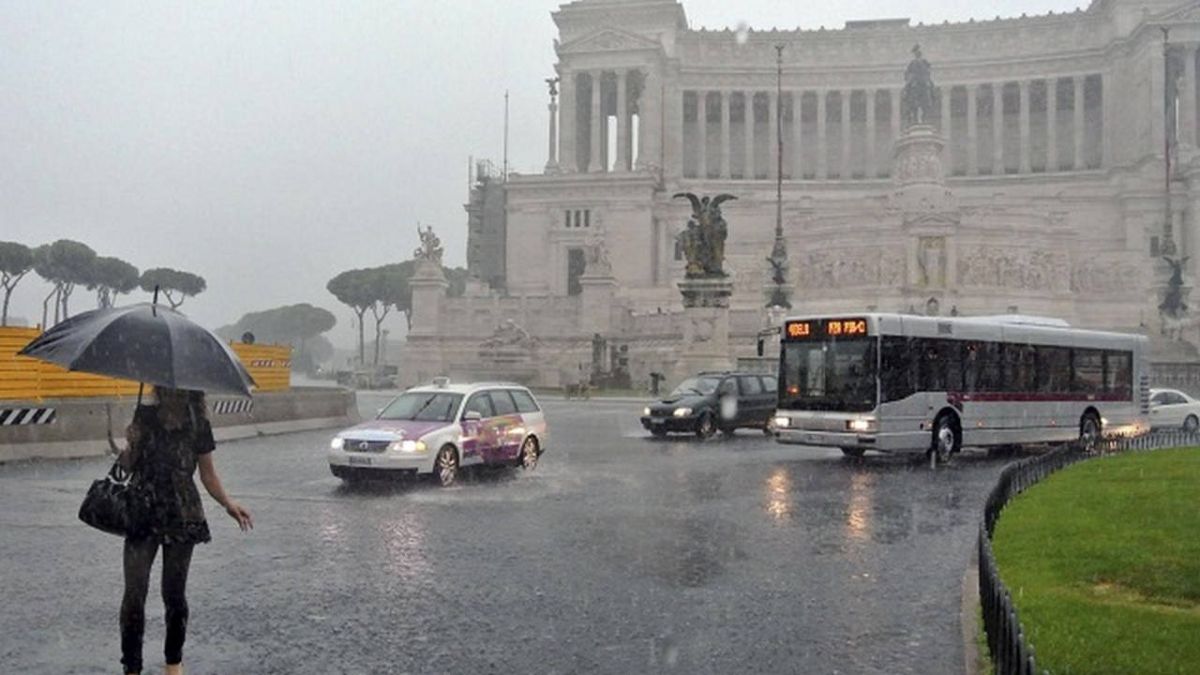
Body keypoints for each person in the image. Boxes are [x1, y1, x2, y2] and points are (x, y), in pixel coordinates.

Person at [116, 387, 253, 675]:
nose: (174, 396)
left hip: (183, 513)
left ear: (191, 394)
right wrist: (130, 445)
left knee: (174, 594)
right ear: (161, 390)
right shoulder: (144, 416)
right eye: (169, 391)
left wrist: (228, 503)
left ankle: (173, 663)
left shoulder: (198, 424)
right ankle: (131, 666)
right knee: (134, 593)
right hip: (142, 511)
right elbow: (124, 469)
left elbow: (207, 474)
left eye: (180, 393)